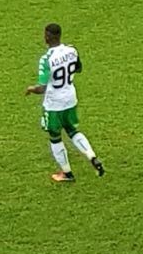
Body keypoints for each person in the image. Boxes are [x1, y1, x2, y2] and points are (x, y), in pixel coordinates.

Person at [24, 22, 105, 183]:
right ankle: (92, 156)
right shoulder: (72, 50)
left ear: (48, 36)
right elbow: (79, 69)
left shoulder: (46, 59)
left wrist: (31, 89)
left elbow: (42, 88)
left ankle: (66, 173)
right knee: (72, 130)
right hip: (70, 98)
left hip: (54, 104)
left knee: (55, 136)